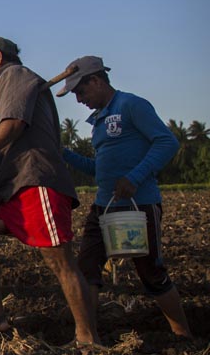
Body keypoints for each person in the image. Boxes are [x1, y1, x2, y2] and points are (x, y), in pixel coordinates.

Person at [0, 37, 99, 345]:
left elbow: (15, 123)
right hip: (10, 187)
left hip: (34, 180)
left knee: (59, 260)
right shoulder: (3, 87)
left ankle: (88, 337)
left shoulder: (15, 75)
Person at [57, 56, 192, 339]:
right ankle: (88, 338)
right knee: (87, 270)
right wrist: (65, 155)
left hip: (138, 205)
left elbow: (167, 142)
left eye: (80, 92)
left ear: (96, 80)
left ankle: (183, 334)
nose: (79, 100)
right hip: (104, 206)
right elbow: (99, 169)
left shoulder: (131, 105)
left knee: (151, 272)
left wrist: (134, 177)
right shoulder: (97, 122)